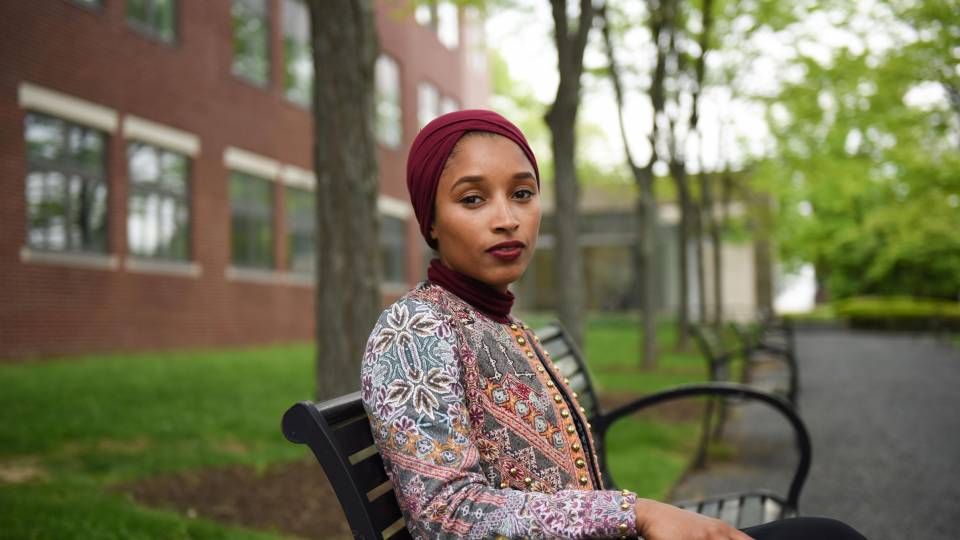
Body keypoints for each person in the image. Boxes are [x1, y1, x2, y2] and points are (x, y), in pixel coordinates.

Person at [360, 109, 867, 539]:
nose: (507, 218)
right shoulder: (415, 330)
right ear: (430, 220)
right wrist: (635, 513)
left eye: (523, 193)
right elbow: (447, 513)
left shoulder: (497, 321)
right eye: (473, 199)